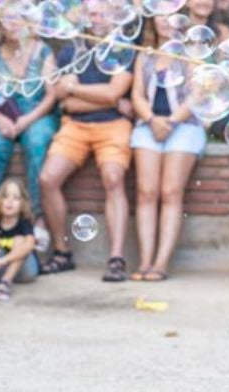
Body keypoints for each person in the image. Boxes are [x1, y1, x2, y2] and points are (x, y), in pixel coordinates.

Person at [39, 40, 134, 283]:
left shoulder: (122, 49)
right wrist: (111, 101)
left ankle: (116, 259)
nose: (97, 16)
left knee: (114, 178)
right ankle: (62, 252)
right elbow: (62, 97)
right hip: (75, 125)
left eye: (102, 11)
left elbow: (114, 91)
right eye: (92, 12)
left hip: (113, 126)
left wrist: (76, 90)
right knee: (48, 179)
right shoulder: (71, 51)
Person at [129, 16, 204, 282]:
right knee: (146, 192)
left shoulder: (190, 57)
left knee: (171, 191)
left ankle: (161, 263)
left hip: (184, 126)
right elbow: (137, 95)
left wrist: (171, 122)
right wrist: (151, 119)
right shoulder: (144, 56)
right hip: (149, 124)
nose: (165, 21)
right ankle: (145, 260)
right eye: (160, 15)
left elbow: (197, 95)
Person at [0, 13, 58, 229]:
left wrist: (26, 120)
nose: (13, 24)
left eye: (19, 18)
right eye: (7, 19)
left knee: (37, 142)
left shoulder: (43, 52)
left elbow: (51, 96)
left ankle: (37, 217)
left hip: (36, 113)